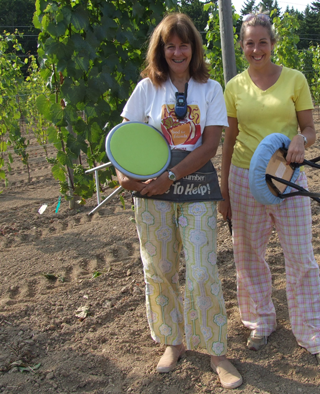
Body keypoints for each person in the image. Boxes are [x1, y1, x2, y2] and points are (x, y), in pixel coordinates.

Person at [116, 13, 242, 389]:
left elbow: (209, 145)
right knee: (160, 268)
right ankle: (174, 341)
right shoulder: (147, 89)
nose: (177, 51)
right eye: (169, 45)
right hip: (152, 196)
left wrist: (169, 176)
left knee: (203, 270)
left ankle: (217, 350)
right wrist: (124, 176)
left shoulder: (210, 89)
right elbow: (125, 140)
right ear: (161, 49)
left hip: (195, 189)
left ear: (193, 49)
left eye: (183, 44)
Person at [219, 12, 320, 374]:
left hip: (287, 178)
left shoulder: (295, 79)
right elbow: (229, 139)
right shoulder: (234, 87)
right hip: (244, 179)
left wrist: (302, 139)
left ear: (273, 43)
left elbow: (310, 128)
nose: (256, 49)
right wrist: (224, 191)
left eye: (262, 42)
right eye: (249, 43)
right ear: (242, 46)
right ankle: (259, 323)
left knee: (301, 258)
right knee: (248, 255)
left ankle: (314, 333)